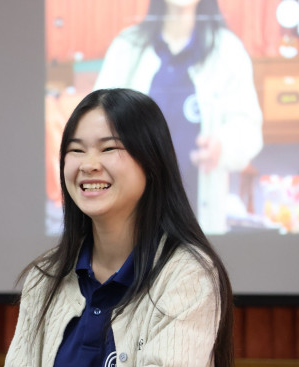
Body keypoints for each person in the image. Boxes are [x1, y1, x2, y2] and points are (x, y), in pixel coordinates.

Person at [0, 88, 236, 367]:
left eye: (109, 148)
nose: (89, 165)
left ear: (151, 161)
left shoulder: (187, 273)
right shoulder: (45, 278)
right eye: (76, 150)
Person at [94, 0, 263, 234]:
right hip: (135, 217)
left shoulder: (227, 50)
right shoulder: (127, 47)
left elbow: (248, 127)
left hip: (198, 213)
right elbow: (95, 123)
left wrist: (222, 146)